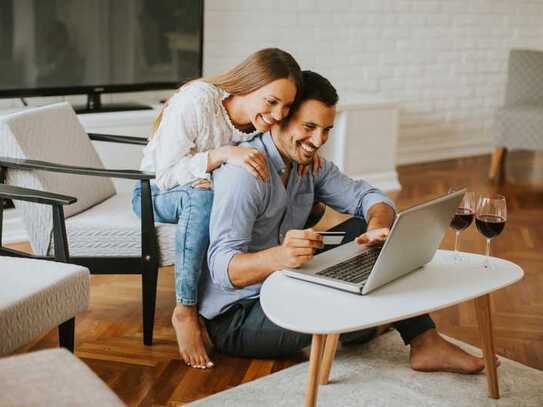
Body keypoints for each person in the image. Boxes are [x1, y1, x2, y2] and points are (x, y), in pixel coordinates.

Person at [199, 71, 489, 374]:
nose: (318, 141)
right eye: (309, 127)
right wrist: (279, 257)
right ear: (280, 118)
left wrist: (378, 226)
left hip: (286, 282)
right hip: (239, 315)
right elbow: (223, 269)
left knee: (361, 235)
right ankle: (367, 325)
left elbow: (369, 196)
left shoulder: (307, 163)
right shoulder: (245, 175)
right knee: (350, 301)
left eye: (326, 130)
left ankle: (422, 341)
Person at [132, 48, 304, 369]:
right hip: (154, 194)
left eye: (287, 106)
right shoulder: (197, 101)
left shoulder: (259, 123)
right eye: (272, 102)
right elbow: (165, 175)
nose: (279, 114)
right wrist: (221, 154)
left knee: (226, 194)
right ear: (248, 85)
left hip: (202, 191)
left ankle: (251, 289)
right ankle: (185, 310)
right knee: (202, 197)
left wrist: (302, 154)